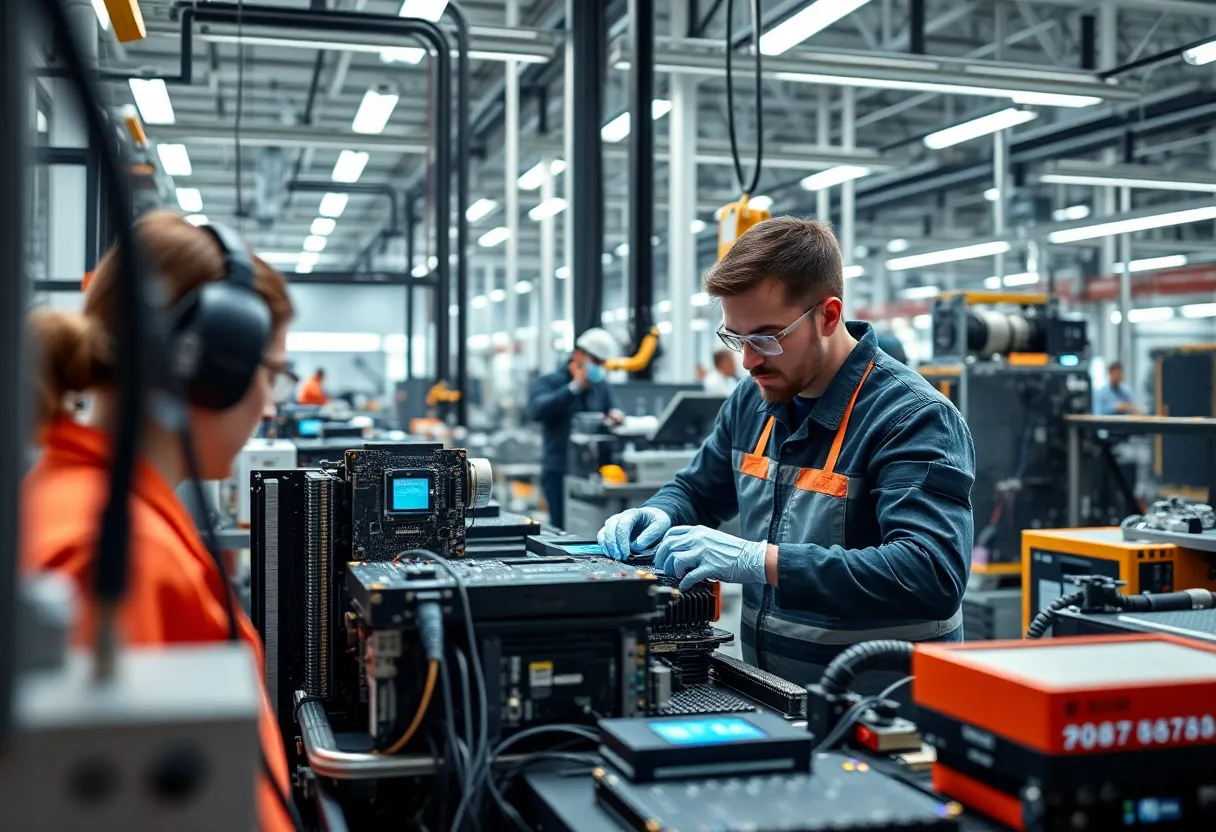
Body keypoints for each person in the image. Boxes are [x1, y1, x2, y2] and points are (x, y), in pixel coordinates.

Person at [597, 217, 976, 685]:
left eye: (766, 337)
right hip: (772, 691)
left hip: (885, 707)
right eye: (736, 338)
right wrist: (659, 512)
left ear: (829, 315)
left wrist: (759, 561)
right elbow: (698, 489)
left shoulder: (911, 417)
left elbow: (930, 573)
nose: (748, 360)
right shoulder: (751, 400)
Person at [23, 211, 299, 831]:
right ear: (210, 363)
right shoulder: (112, 554)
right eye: (272, 372)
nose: (271, 404)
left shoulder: (82, 500)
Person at [528, 327, 625, 529]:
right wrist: (573, 388)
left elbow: (613, 407)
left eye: (603, 363)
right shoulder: (551, 381)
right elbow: (537, 411)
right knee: (562, 531)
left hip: (591, 474)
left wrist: (616, 414)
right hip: (559, 472)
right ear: (579, 355)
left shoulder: (600, 386)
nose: (600, 367)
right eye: (597, 362)